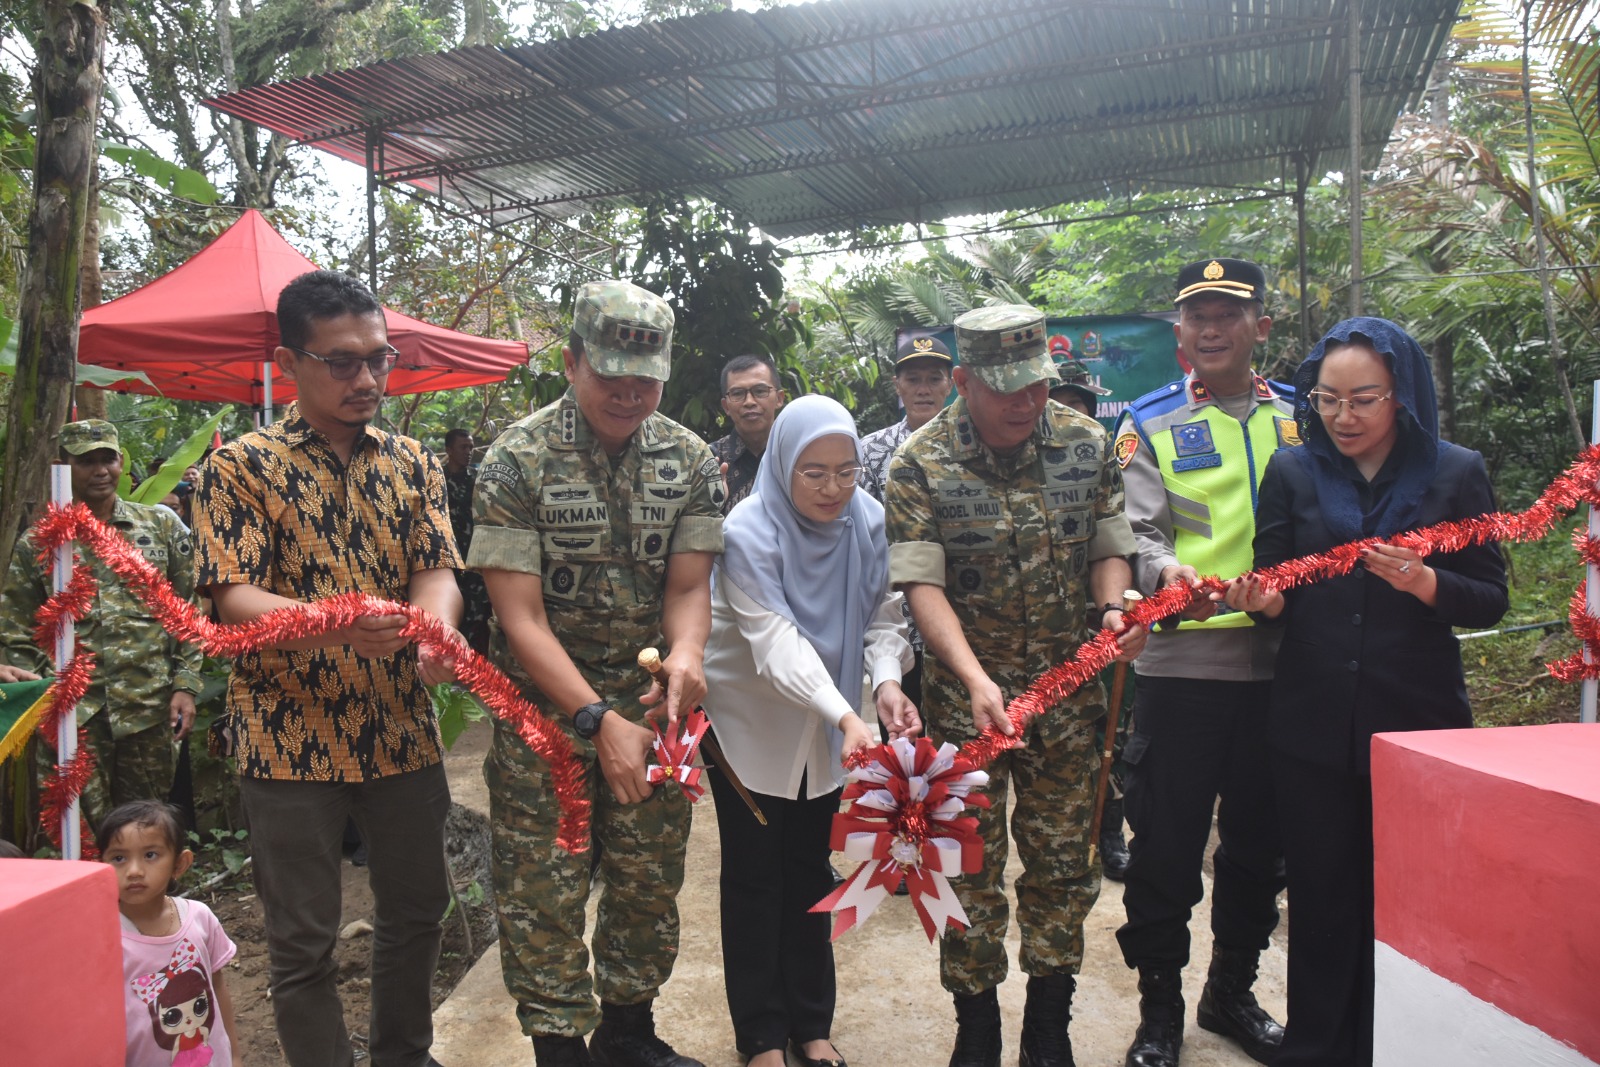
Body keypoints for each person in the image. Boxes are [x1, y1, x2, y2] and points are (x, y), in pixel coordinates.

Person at [192, 269, 463, 1067]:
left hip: (400, 726)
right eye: (342, 361)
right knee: (303, 938)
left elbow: (435, 570)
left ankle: (403, 1056)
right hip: (288, 735)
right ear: (290, 360)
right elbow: (230, 598)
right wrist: (342, 625)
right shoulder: (239, 467)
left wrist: (436, 632)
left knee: (418, 909)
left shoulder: (413, 461)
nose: (368, 378)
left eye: (380, 358)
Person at [1219, 317, 1507, 1066]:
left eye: (1363, 399)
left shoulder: (1454, 472)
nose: (1342, 417)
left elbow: (1489, 596)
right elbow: (1275, 577)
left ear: (1401, 396)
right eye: (1327, 399)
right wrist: (1261, 598)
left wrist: (1427, 580)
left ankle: (1399, 1045)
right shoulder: (1292, 469)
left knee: (1408, 901)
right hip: (1311, 721)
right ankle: (1317, 1046)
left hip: (1416, 722)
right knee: (1320, 896)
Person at [469, 280, 724, 1067]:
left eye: (644, 377)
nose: (628, 391)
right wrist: (593, 719)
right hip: (546, 720)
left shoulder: (688, 459)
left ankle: (628, 1031)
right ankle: (559, 1047)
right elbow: (522, 620)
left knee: (648, 880)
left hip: (651, 715)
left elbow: (687, 589)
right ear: (573, 361)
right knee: (543, 891)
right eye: (610, 372)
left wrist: (685, 656)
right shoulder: (515, 460)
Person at [885, 303, 1146, 1067]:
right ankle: (976, 1025)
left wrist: (1110, 608)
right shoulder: (919, 463)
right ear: (963, 381)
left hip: (1069, 700)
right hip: (964, 705)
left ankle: (1048, 1023)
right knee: (966, 863)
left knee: (1063, 861)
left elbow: (1109, 546)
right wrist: (973, 677)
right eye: (1006, 391)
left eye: (1035, 387)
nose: (1025, 405)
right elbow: (921, 587)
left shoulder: (1085, 443)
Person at [702, 395, 920, 1067]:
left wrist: (884, 679)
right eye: (814, 472)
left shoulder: (869, 520)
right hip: (750, 732)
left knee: (809, 873)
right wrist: (849, 714)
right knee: (754, 880)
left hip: (829, 738)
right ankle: (763, 1035)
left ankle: (811, 1023)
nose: (833, 489)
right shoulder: (748, 530)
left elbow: (885, 614)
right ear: (782, 463)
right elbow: (777, 645)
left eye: (847, 470)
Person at [1112, 257, 1292, 1067]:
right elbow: (1134, 533)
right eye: (1198, 317)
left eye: (1230, 314)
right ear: (1179, 334)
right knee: (1165, 848)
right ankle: (1159, 1011)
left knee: (1259, 847)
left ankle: (1231, 990)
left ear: (1260, 325)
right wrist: (1164, 573)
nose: (1213, 328)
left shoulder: (1301, 419)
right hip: (1182, 672)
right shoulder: (1147, 423)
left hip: (1286, 667)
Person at [0, 420, 203, 829]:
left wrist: (186, 685)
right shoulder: (41, 543)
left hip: (148, 709)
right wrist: (43, 696)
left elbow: (189, 612)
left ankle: (152, 896)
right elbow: (15, 627)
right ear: (62, 466)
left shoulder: (159, 527)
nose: (100, 470)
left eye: (107, 459)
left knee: (147, 829)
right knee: (80, 833)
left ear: (121, 462)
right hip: (76, 716)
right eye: (85, 461)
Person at [1047, 355, 1132, 879]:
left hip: (1098, 632)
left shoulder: (1099, 460)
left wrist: (1114, 609)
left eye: (1078, 404)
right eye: (1061, 402)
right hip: (1037, 642)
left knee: (1110, 737)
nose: (1067, 413)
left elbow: (1115, 545)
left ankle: (1110, 833)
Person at [99, 799, 240, 1067]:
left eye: (150, 855)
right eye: (119, 858)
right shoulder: (104, 938)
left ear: (180, 863)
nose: (134, 871)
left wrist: (234, 1054)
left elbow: (217, 986)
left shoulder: (200, 917)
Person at [859, 334, 954, 720]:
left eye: (934, 378)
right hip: (896, 623)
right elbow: (860, 536)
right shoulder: (870, 451)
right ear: (897, 385)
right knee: (901, 739)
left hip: (960, 622)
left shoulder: (974, 447)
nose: (924, 389)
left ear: (952, 383)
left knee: (961, 746)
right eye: (913, 379)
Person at [708, 354, 786, 513]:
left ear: (779, 398)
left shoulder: (796, 456)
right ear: (726, 406)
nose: (749, 401)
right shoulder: (709, 460)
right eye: (737, 393)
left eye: (760, 391)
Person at [443, 428, 493, 654]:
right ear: (449, 450)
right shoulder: (437, 480)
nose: (469, 452)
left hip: (475, 559)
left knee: (480, 612)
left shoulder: (479, 480)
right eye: (463, 447)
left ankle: (475, 663)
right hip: (448, 561)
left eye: (471, 447)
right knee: (452, 610)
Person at [1048, 359, 1112, 420]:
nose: (1065, 412)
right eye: (1054, 405)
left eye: (1074, 403)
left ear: (1090, 408)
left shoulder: (1100, 431)